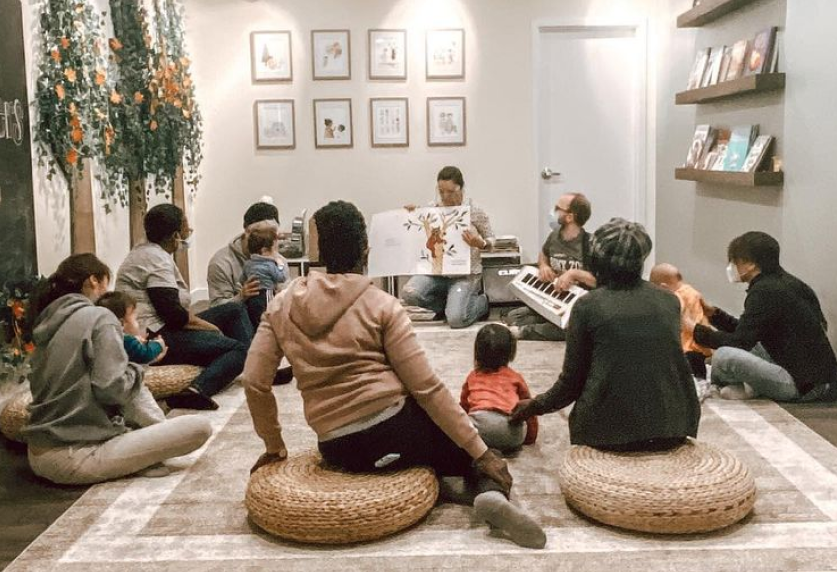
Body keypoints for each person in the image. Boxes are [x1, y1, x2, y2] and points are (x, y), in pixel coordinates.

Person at [243, 201, 545, 549]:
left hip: (338, 447)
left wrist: (274, 446)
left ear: (318, 251)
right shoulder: (382, 305)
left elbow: (254, 381)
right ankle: (491, 497)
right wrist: (482, 452)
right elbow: (427, 388)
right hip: (398, 430)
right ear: (366, 250)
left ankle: (450, 484)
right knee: (474, 451)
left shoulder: (280, 305)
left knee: (430, 456)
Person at [508, 219, 699, 452]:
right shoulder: (669, 300)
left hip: (608, 433)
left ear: (597, 261)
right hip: (675, 425)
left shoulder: (588, 306)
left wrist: (533, 406)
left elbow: (571, 384)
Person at [24, 254, 211, 485]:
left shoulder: (47, 319)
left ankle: (137, 456)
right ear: (94, 281)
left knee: (131, 388)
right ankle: (138, 457)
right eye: (106, 283)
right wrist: (138, 368)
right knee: (199, 428)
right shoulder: (99, 317)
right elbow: (111, 388)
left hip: (37, 453)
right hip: (75, 456)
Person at [116, 204, 275, 410]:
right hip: (155, 335)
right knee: (238, 348)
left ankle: (258, 369)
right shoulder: (156, 260)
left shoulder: (146, 252)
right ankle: (196, 390)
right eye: (185, 230)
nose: (187, 235)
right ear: (175, 235)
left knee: (235, 310)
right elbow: (173, 315)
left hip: (164, 325)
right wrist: (210, 329)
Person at [693, 232, 837, 403]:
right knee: (744, 349)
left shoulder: (764, 292)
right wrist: (715, 315)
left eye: (734, 261)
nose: (731, 266)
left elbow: (740, 342)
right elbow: (748, 332)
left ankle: (749, 385)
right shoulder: (786, 283)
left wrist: (696, 331)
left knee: (724, 356)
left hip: (804, 386)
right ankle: (752, 386)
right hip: (820, 380)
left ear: (750, 264)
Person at [400, 166, 496, 328]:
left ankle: (481, 304)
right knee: (409, 292)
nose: (445, 196)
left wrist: (481, 243)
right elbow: (420, 234)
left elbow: (492, 240)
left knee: (456, 320)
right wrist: (412, 214)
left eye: (450, 192)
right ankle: (447, 306)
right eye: (441, 191)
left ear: (461, 188)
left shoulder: (474, 210)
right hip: (437, 273)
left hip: (465, 275)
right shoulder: (433, 209)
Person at [504, 192, 596, 341]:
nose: (553, 212)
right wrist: (543, 266)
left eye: (557, 208)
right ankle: (545, 322)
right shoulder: (554, 236)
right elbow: (543, 254)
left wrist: (574, 274)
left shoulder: (590, 244)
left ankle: (524, 332)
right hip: (553, 297)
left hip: (577, 303)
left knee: (572, 329)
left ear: (570, 217)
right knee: (513, 316)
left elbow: (599, 281)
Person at [460, 323, 537, 451]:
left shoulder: (472, 377)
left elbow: (463, 407)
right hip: (512, 432)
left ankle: (486, 447)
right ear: (511, 353)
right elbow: (529, 408)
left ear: (477, 353)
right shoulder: (515, 377)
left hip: (480, 431)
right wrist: (530, 438)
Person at [205, 201, 278, 312]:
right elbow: (216, 308)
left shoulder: (276, 258)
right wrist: (241, 296)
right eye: (261, 235)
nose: (266, 242)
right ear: (247, 232)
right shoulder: (221, 263)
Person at [650, 263, 714, 388]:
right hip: (700, 346)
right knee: (699, 373)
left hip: (686, 347)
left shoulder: (676, 297)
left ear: (663, 287)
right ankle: (701, 383)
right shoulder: (692, 292)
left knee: (686, 378)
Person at [96, 292, 166, 365]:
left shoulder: (105, 337)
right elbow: (145, 354)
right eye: (135, 319)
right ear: (121, 323)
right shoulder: (125, 340)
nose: (138, 323)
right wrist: (158, 344)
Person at [243, 223, 288, 325]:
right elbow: (281, 277)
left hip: (251, 297)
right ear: (264, 250)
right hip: (266, 293)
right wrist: (280, 265)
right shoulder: (269, 264)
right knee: (269, 315)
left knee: (255, 319)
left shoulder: (248, 264)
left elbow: (242, 279)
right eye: (273, 250)